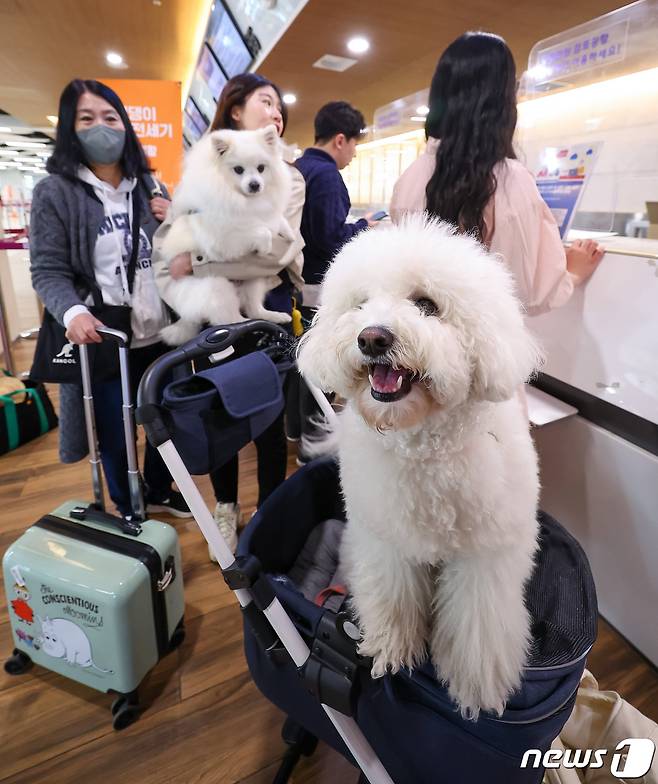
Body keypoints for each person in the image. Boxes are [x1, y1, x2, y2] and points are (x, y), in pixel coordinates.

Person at [152, 73, 305, 558]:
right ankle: (225, 506)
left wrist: (195, 261)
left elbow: (274, 255)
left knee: (268, 418)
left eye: (281, 104)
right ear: (235, 109)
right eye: (266, 101)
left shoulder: (289, 178)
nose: (276, 111)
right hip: (214, 315)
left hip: (265, 312)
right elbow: (170, 246)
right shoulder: (207, 169)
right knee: (218, 411)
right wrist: (189, 260)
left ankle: (270, 509)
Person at [30, 79, 191, 520]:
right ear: (70, 128)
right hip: (104, 336)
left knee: (169, 421)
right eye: (87, 119)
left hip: (162, 331)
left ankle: (157, 488)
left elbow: (175, 254)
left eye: (110, 117)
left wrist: (174, 222)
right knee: (117, 433)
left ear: (125, 125)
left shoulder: (149, 187)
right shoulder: (55, 192)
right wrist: (74, 310)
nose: (101, 127)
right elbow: (47, 270)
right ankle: (127, 504)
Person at [390, 32, 604, 317]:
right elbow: (526, 294)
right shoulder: (509, 180)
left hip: (419, 346)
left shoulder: (411, 176)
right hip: (481, 351)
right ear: (502, 101)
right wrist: (572, 273)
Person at [288, 101, 376, 455]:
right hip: (318, 289)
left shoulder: (298, 169)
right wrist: (364, 226)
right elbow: (328, 238)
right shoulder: (326, 176)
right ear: (340, 140)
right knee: (322, 368)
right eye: (354, 144)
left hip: (296, 286)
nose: (354, 154)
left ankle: (296, 432)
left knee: (300, 361)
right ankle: (313, 445)